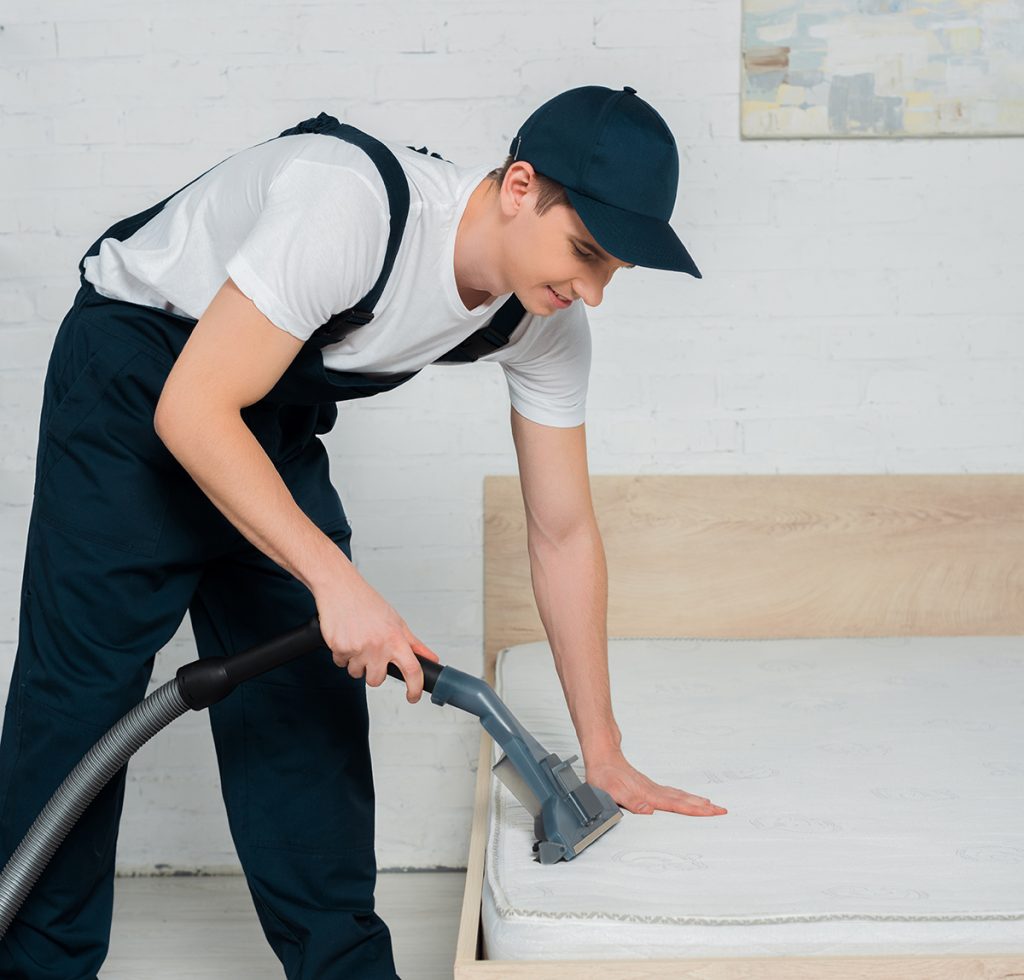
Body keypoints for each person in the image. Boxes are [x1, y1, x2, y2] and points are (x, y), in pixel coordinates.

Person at [0, 84, 726, 980]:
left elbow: (563, 531)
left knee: (308, 698)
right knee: (81, 706)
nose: (591, 291)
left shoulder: (546, 323)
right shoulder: (351, 207)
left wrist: (602, 751)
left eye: (611, 270)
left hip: (260, 409)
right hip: (134, 387)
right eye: (583, 251)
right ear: (519, 186)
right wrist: (338, 586)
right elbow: (191, 408)